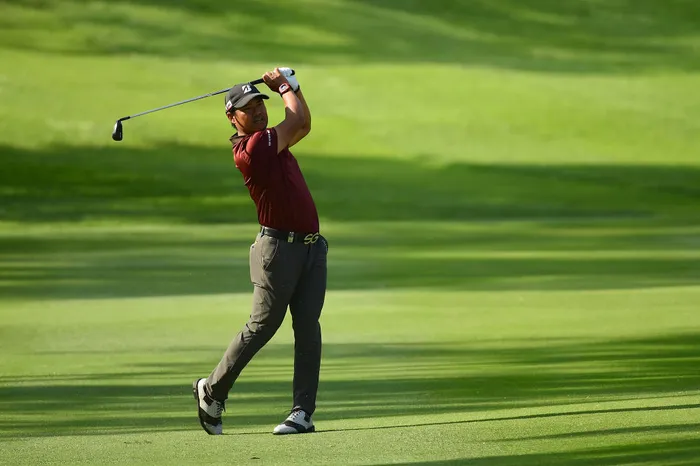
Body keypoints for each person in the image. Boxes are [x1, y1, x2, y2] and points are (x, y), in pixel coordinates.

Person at [192, 67, 327, 435]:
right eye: (248, 108)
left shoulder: (271, 141)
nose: (258, 112)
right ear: (231, 117)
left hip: (311, 249)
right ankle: (212, 390)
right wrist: (283, 86)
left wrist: (293, 87)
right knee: (263, 326)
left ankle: (302, 413)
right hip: (278, 250)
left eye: (260, 104)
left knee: (308, 328)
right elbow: (295, 120)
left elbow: (303, 125)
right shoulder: (252, 148)